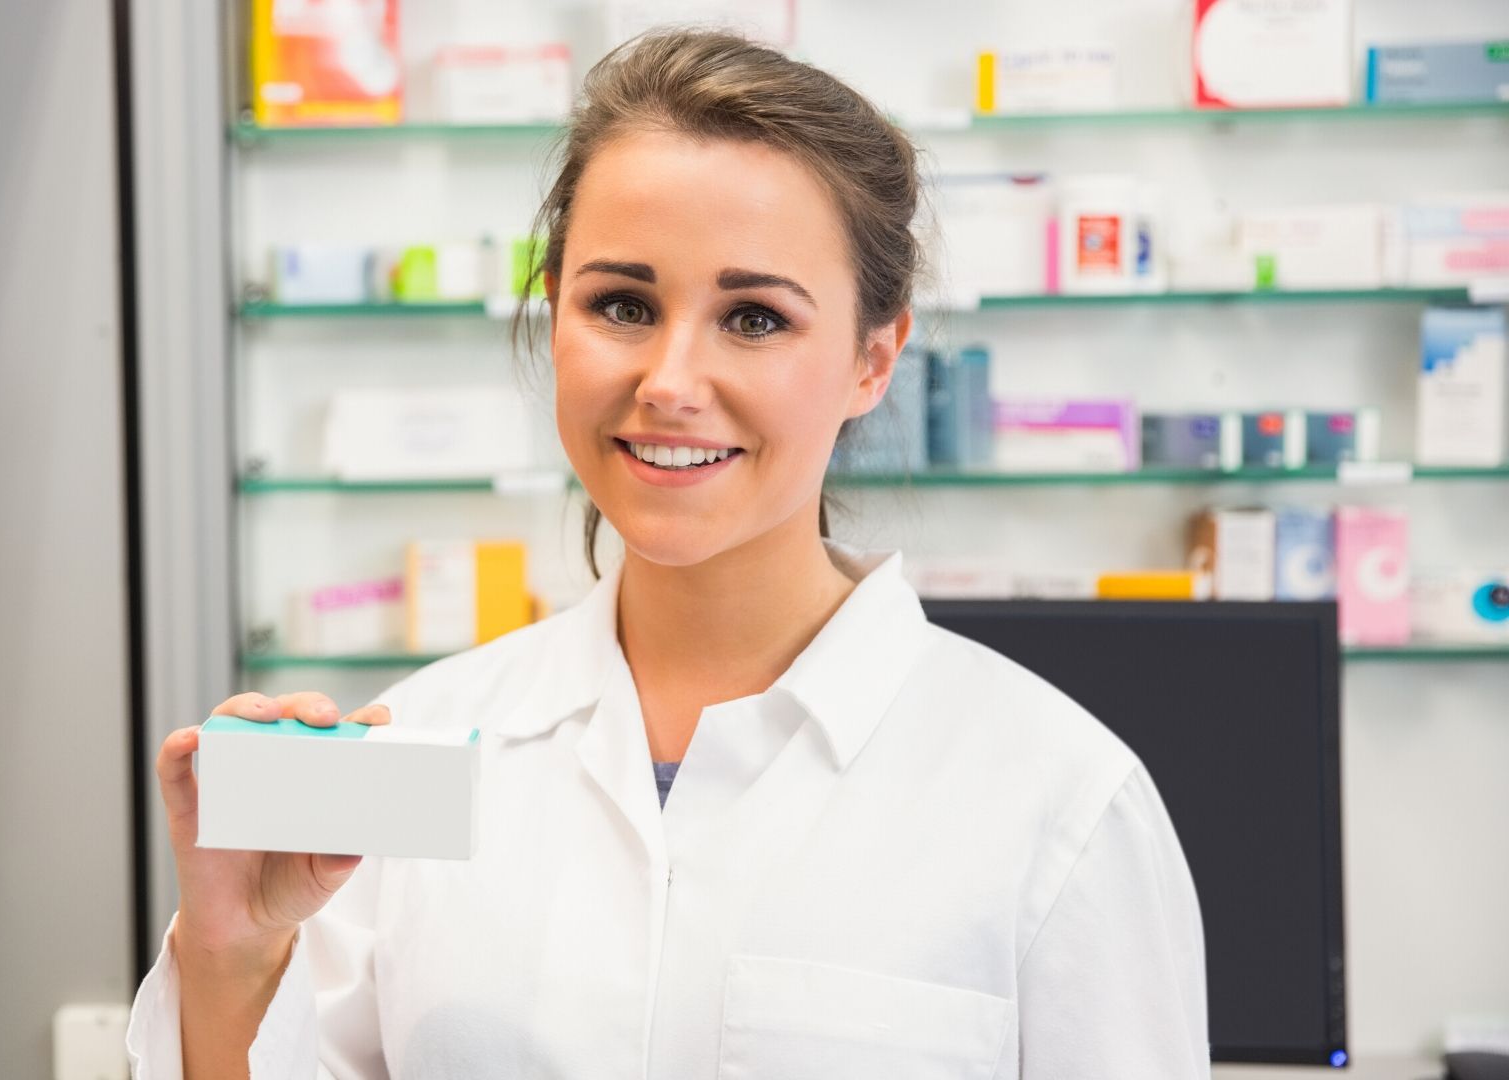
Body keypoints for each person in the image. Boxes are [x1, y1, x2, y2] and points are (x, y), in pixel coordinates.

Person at [130, 29, 1208, 1080]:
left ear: (874, 359)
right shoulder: (411, 754)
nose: (670, 382)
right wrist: (232, 949)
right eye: (623, 305)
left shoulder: (1058, 803)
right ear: (555, 314)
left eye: (754, 318)